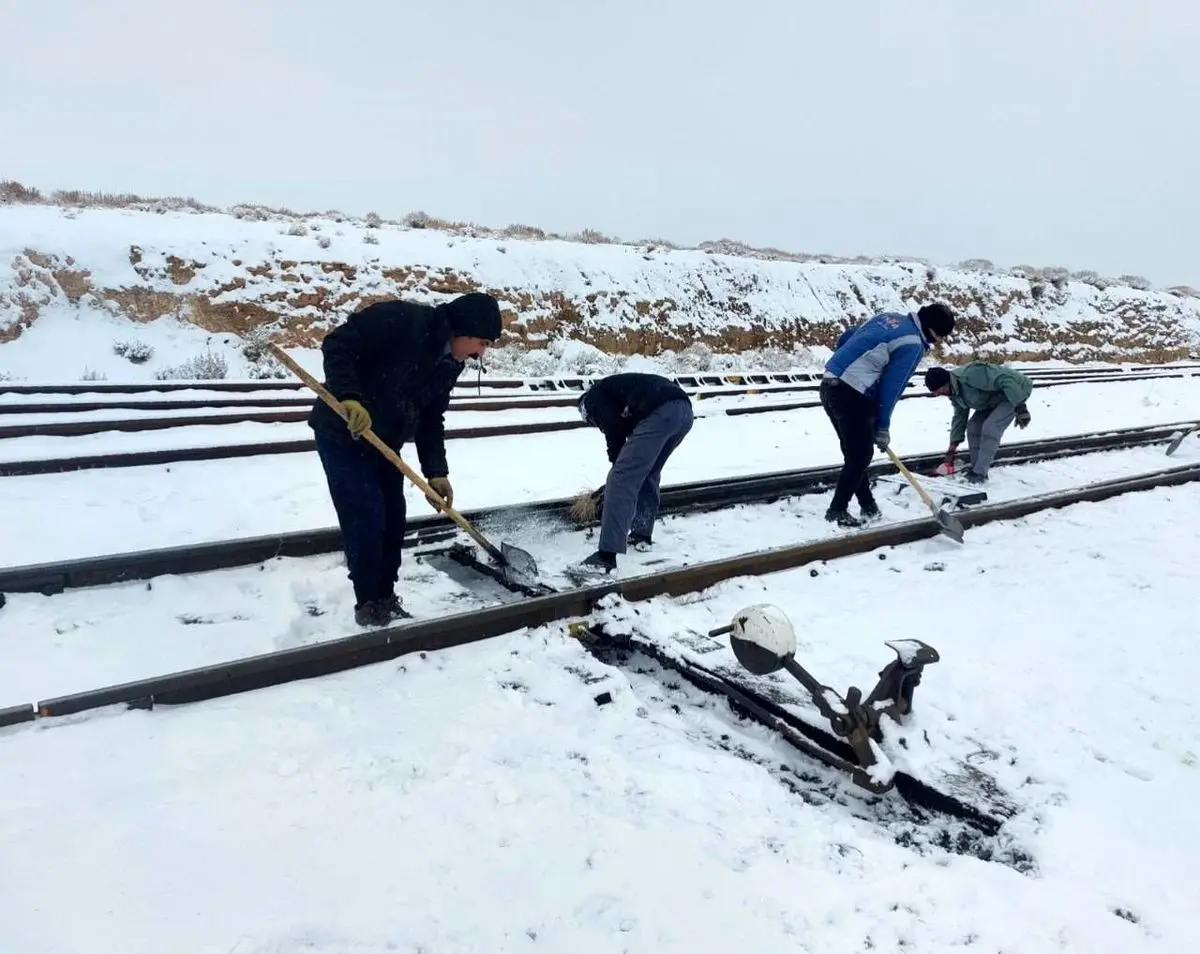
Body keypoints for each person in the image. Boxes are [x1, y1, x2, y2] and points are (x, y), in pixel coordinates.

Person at [308, 291, 504, 626]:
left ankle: (386, 594)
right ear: (464, 330)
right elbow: (338, 344)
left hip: (385, 440)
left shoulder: (448, 365)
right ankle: (368, 603)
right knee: (366, 517)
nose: (480, 354)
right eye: (482, 343)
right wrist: (349, 398)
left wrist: (436, 472)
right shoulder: (401, 321)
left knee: (393, 519)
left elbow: (431, 419)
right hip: (343, 433)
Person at [820, 303, 957, 527]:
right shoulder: (913, 344)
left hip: (829, 385)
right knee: (860, 456)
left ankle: (868, 506)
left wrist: (842, 367)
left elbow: (848, 337)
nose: (940, 341)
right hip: (853, 393)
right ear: (932, 329)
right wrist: (882, 426)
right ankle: (837, 511)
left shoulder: (890, 318)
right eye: (941, 335)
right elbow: (892, 387)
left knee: (856, 454)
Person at [566, 372, 695, 580]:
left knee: (621, 478)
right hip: (684, 412)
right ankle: (641, 533)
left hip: (661, 411)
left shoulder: (593, 400)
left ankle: (605, 557)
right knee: (648, 471)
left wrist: (615, 474)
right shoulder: (617, 394)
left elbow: (614, 430)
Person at [924, 362, 1033, 483]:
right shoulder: (954, 392)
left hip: (1015, 391)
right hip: (992, 399)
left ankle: (980, 473)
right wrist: (952, 448)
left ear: (946, 383)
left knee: (990, 427)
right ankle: (976, 470)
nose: (937, 394)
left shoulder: (971, 375)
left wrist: (1020, 407)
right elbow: (959, 418)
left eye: (938, 391)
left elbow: (1006, 380)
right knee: (973, 426)